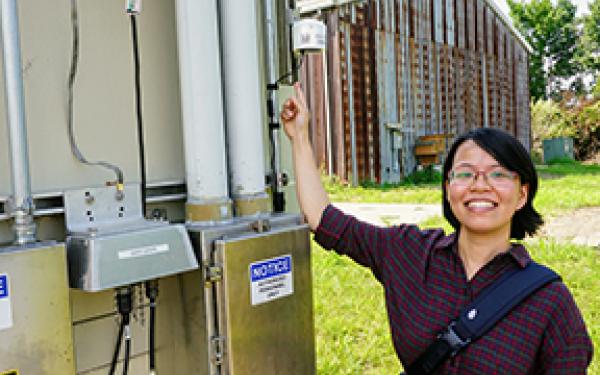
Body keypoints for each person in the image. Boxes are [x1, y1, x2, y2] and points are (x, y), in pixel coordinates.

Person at [280, 83, 593, 374]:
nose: (479, 186)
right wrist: (300, 138)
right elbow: (324, 220)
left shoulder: (550, 302)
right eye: (465, 174)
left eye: (498, 175)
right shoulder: (409, 253)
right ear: (447, 189)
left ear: (522, 194)